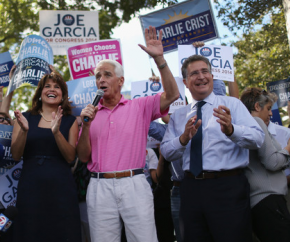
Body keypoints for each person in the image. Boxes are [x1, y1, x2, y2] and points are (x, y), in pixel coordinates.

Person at [76, 26, 179, 242]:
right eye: (97, 76)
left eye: (107, 75)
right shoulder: (89, 114)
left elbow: (172, 95)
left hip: (134, 183)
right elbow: (83, 157)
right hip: (99, 186)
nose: (101, 80)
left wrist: (160, 59)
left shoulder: (139, 106)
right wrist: (85, 126)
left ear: (120, 81)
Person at [160, 55, 264, 242]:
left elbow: (257, 140)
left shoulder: (232, 105)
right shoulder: (179, 115)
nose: (201, 76)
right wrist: (183, 139)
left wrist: (232, 130)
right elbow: (167, 152)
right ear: (185, 81)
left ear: (211, 76)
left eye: (204, 71)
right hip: (191, 189)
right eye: (194, 73)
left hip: (227, 187)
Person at [11, 71, 81, 242]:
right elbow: (15, 155)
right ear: (40, 93)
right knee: (30, 231)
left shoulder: (70, 121)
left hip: (61, 190)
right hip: (31, 188)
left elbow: (71, 157)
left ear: (63, 95)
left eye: (57, 87)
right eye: (47, 86)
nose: (52, 89)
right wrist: (25, 131)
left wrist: (56, 133)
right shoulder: (24, 118)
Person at [240, 87, 290, 242]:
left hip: (261, 202)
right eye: (268, 108)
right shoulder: (256, 122)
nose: (271, 113)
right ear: (257, 107)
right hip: (268, 200)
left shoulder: (242, 125)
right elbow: (272, 162)